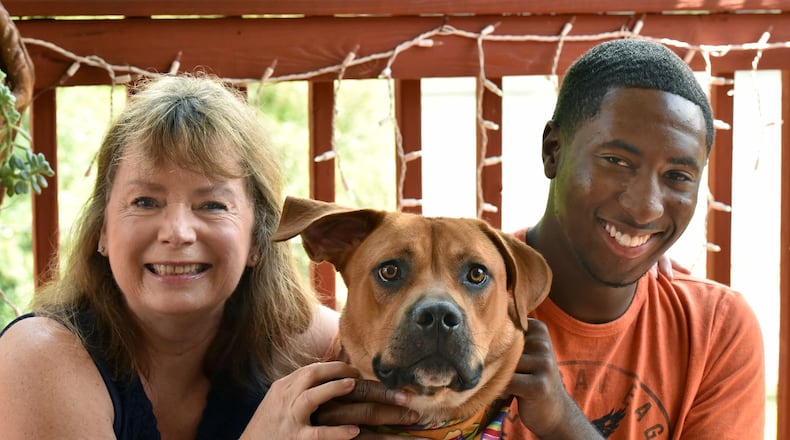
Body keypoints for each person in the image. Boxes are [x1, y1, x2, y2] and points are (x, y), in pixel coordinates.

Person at [0, 74, 416, 439]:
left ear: (258, 238)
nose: (177, 232)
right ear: (103, 231)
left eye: (213, 205)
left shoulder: (322, 349)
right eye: (145, 201)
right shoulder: (38, 359)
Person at [501, 38, 765, 438]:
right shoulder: (462, 297)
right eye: (617, 162)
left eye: (677, 176)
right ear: (553, 151)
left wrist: (560, 421)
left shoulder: (715, 328)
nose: (645, 208)